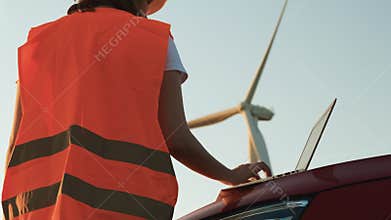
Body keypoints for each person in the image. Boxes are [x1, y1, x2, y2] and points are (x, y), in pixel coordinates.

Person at [2, 0, 271, 219]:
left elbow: (14, 146)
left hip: (35, 212)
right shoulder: (154, 41)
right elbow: (177, 138)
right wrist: (229, 175)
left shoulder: (38, 44)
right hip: (126, 210)